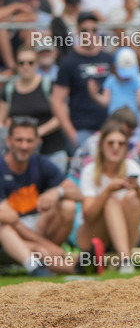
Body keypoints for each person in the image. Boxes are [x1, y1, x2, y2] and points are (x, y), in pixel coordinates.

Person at [0, 117, 84, 275]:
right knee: (5, 225)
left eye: (29, 140)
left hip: (34, 231)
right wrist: (48, 246)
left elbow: (79, 194)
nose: (24, 146)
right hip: (9, 238)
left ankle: (73, 266)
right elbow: (11, 219)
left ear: (37, 142)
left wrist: (58, 192)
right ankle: (42, 266)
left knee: (67, 204)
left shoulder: (41, 163)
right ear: (9, 141)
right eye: (19, 140)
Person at [75, 120, 140, 274]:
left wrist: (138, 188)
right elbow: (89, 216)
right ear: (101, 146)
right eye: (111, 143)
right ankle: (125, 259)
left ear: (126, 147)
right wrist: (108, 190)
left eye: (121, 143)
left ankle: (124, 258)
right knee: (110, 200)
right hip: (93, 236)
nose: (115, 147)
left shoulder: (132, 167)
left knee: (133, 197)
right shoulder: (89, 171)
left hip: (127, 234)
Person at [52, 12, 114, 148]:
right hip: (81, 130)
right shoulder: (69, 62)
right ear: (78, 32)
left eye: (94, 30)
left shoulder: (107, 59)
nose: (90, 34)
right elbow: (57, 100)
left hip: (108, 129)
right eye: (85, 31)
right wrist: (72, 134)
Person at [0, 45, 64, 170]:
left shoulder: (48, 85)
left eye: (30, 62)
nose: (26, 66)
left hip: (50, 151)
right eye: (21, 63)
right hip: (20, 153)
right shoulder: (9, 89)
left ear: (37, 63)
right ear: (16, 65)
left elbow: (61, 117)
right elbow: (2, 119)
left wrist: (36, 133)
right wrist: (17, 134)